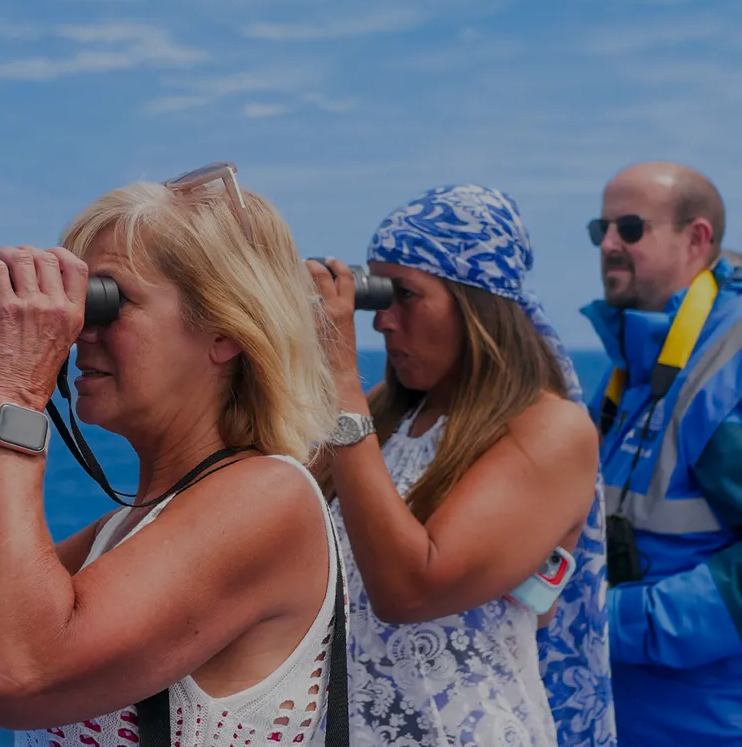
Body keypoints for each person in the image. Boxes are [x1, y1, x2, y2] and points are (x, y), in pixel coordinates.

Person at [0, 162, 346, 746]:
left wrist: (15, 393)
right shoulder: (132, 528)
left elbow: (13, 676)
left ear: (224, 331)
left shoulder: (267, 495)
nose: (79, 331)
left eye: (108, 302)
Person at [307, 184, 614, 747]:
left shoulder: (551, 430)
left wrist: (342, 383)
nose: (381, 323)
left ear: (475, 306)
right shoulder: (382, 417)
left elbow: (410, 592)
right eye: (380, 295)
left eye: (405, 295)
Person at [582, 161, 742, 745]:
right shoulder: (630, 367)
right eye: (601, 230)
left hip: (704, 725)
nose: (611, 245)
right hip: (619, 713)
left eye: (630, 227)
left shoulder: (727, 370)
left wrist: (606, 621)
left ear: (697, 238)